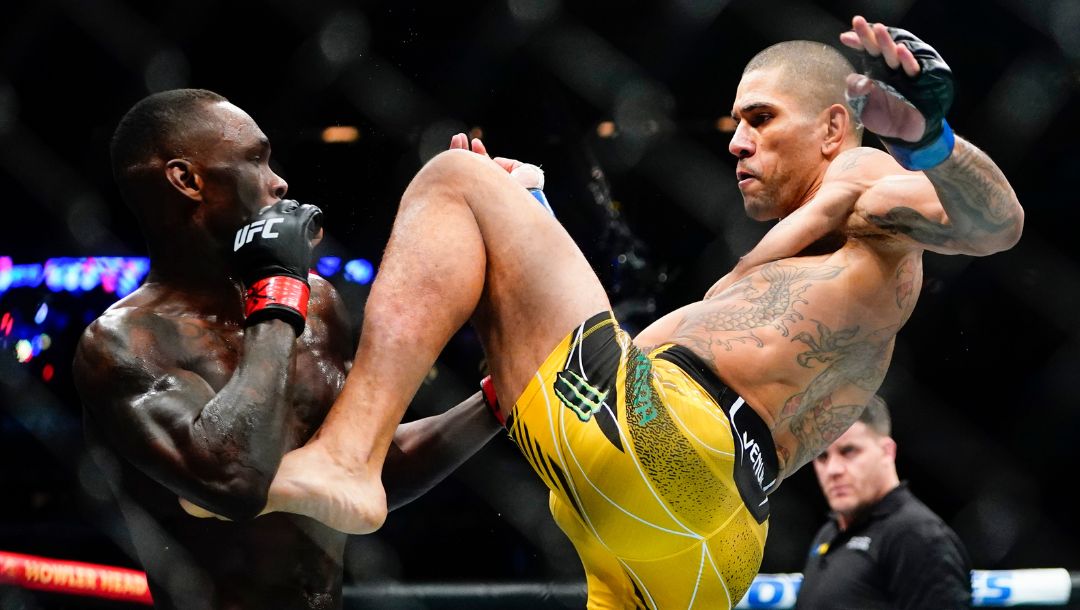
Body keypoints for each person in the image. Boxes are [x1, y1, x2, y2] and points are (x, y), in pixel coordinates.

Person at [259, 15, 1024, 609]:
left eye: (761, 119)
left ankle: (346, 458)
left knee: (454, 176)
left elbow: (994, 226)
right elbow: (612, 355)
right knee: (497, 216)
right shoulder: (789, 271)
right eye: (736, 126)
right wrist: (530, 227)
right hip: (713, 551)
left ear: (832, 125)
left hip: (670, 448)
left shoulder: (861, 177)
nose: (739, 144)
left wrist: (932, 141)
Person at [71, 88, 503, 610]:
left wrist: (500, 399)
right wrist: (276, 287)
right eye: (255, 159)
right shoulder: (124, 344)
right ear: (188, 181)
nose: (279, 182)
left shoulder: (316, 303)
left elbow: (362, 466)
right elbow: (233, 479)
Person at [797, 396, 972, 609]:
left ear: (887, 451)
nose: (833, 470)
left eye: (848, 451)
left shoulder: (915, 535)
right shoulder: (828, 534)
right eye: (822, 457)